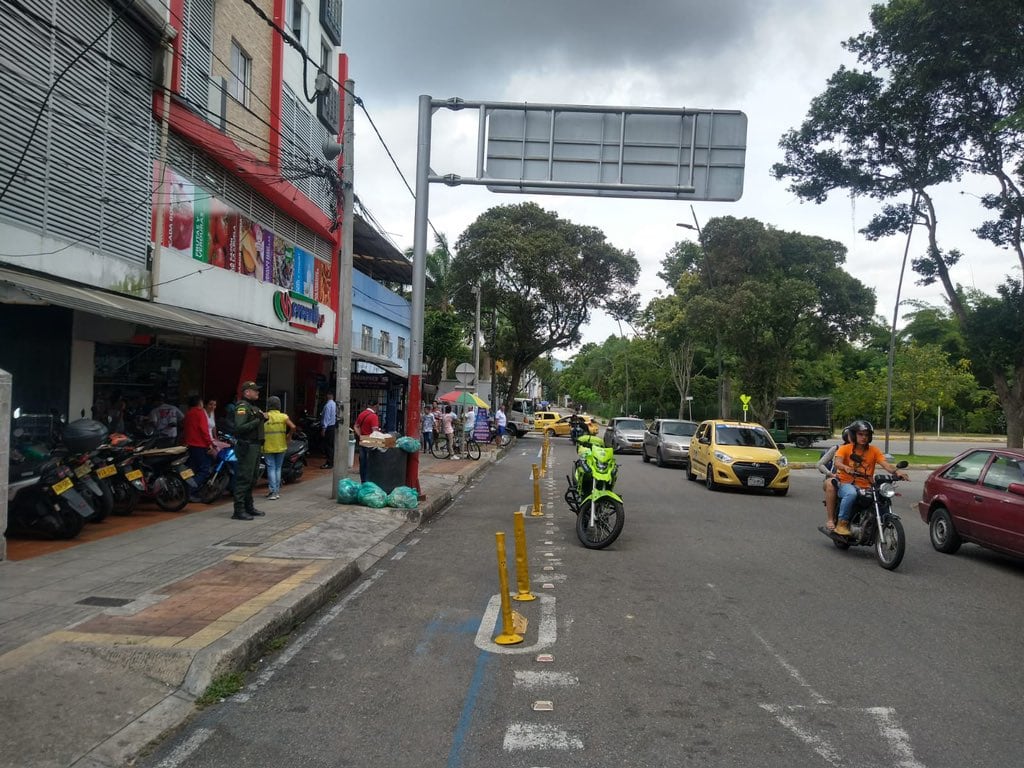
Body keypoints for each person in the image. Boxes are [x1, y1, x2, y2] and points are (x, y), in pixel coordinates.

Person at [833, 420, 909, 536]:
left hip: (867, 484)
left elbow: (885, 464)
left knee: (882, 497)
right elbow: (837, 463)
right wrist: (845, 467)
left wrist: (897, 471)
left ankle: (877, 523)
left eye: (867, 435)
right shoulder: (845, 448)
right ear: (854, 435)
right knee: (851, 494)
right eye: (860, 434)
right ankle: (841, 524)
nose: (864, 437)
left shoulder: (874, 450)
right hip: (846, 483)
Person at [231, 381, 268, 521]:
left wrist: (261, 419)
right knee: (244, 478)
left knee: (252, 479)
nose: (257, 392)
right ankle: (238, 510)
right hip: (247, 447)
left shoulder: (252, 407)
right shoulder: (242, 407)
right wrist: (258, 420)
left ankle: (249, 507)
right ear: (247, 392)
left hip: (255, 446)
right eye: (255, 390)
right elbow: (239, 428)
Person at [816, 424, 852, 531]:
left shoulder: (862, 450)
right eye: (852, 435)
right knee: (831, 484)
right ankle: (831, 519)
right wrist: (830, 474)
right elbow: (819, 464)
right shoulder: (837, 448)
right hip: (835, 479)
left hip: (853, 481)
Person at [262, 396, 296, 501]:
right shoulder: (283, 417)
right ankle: (276, 492)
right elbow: (293, 427)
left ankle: (273, 492)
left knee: (271, 468)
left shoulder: (265, 416)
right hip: (281, 446)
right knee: (278, 468)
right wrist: (289, 436)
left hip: (268, 446)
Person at [182, 395, 215, 501]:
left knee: (193, 469)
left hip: (190, 445)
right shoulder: (200, 412)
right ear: (199, 403)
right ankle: (190, 491)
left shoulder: (188, 413)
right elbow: (204, 430)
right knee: (204, 470)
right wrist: (209, 443)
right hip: (200, 445)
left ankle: (187, 490)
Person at [354, 399, 380, 482]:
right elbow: (375, 431)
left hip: (363, 440)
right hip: (371, 441)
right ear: (375, 406)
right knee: (370, 464)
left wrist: (360, 435)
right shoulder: (374, 416)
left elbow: (355, 426)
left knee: (363, 463)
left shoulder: (362, 414)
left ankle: (363, 482)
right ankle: (369, 482)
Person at [320, 391, 337, 469]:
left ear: (329, 395)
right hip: (332, 426)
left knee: (328, 446)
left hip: (328, 427)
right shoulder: (334, 404)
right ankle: (331, 462)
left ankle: (329, 463)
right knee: (331, 446)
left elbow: (326, 417)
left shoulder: (328, 405)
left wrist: (324, 428)